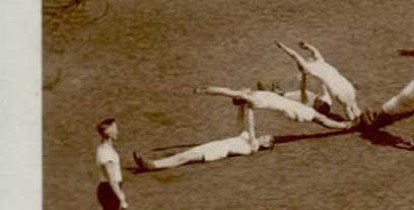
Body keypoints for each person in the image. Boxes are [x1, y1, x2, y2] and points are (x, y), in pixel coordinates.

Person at [133, 104, 274, 170]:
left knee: (184, 158)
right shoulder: (246, 137)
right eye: (265, 136)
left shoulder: (253, 146)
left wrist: (250, 105)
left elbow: (251, 125)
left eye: (266, 138)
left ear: (266, 145)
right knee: (183, 156)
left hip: (217, 152)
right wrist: (242, 105)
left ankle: (153, 165)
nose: (263, 137)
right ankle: (152, 164)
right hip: (214, 145)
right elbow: (241, 121)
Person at [197, 85, 353, 129]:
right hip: (293, 109)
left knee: (322, 119)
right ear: (241, 97)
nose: (243, 88)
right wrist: (205, 90)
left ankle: (346, 125)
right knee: (322, 120)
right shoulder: (250, 98)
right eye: (241, 92)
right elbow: (227, 92)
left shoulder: (254, 97)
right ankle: (347, 126)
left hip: (291, 107)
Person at [275, 41, 362, 121]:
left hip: (344, 83)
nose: (308, 58)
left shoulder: (320, 62)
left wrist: (308, 46)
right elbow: (294, 55)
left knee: (353, 105)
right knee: (347, 106)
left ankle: (361, 123)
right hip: (337, 89)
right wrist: (283, 47)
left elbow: (315, 52)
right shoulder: (309, 68)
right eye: (306, 59)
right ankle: (354, 124)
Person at [94, 117, 128, 210]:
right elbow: (111, 179)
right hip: (109, 190)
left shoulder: (108, 148)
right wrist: (121, 198)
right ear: (108, 132)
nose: (117, 131)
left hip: (112, 188)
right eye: (114, 128)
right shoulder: (104, 153)